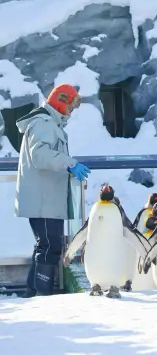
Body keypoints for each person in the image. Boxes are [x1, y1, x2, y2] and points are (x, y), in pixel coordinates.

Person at [16, 84, 91, 297]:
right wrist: (69, 163)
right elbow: (39, 154)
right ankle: (42, 298)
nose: (72, 111)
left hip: (46, 197)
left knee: (46, 244)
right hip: (44, 198)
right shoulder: (44, 123)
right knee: (51, 246)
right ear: (61, 100)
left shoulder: (50, 123)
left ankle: (32, 293)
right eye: (71, 106)